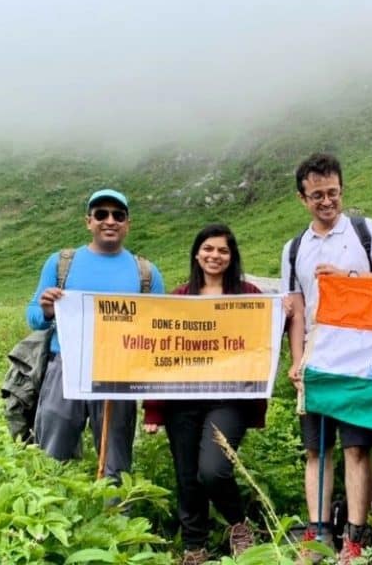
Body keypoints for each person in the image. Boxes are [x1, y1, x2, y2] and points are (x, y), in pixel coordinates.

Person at [282, 153, 372, 564]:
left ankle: (355, 536)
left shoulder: (365, 232)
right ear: (303, 198)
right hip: (318, 353)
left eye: (333, 193)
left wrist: (349, 281)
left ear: (342, 190)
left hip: (361, 354)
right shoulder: (294, 247)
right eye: (317, 195)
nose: (327, 201)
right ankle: (319, 534)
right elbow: (295, 308)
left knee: (356, 448)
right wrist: (296, 361)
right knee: (316, 449)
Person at [143, 223, 265, 565]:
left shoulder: (250, 294)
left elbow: (265, 337)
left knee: (212, 469)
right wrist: (152, 410)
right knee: (187, 476)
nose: (215, 256)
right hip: (181, 400)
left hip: (229, 399)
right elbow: (161, 352)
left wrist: (282, 315)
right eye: (208, 249)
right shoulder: (180, 297)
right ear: (197, 254)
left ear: (232, 256)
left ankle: (239, 526)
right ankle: (194, 547)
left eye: (223, 251)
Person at [27, 188, 165, 481]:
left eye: (118, 215)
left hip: (120, 373)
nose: (110, 221)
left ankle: (115, 521)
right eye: (101, 214)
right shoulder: (61, 263)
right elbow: (34, 319)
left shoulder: (147, 273)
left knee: (116, 460)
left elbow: (159, 329)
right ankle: (48, 514)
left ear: (128, 223)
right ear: (88, 222)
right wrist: (48, 309)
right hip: (66, 366)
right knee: (52, 452)